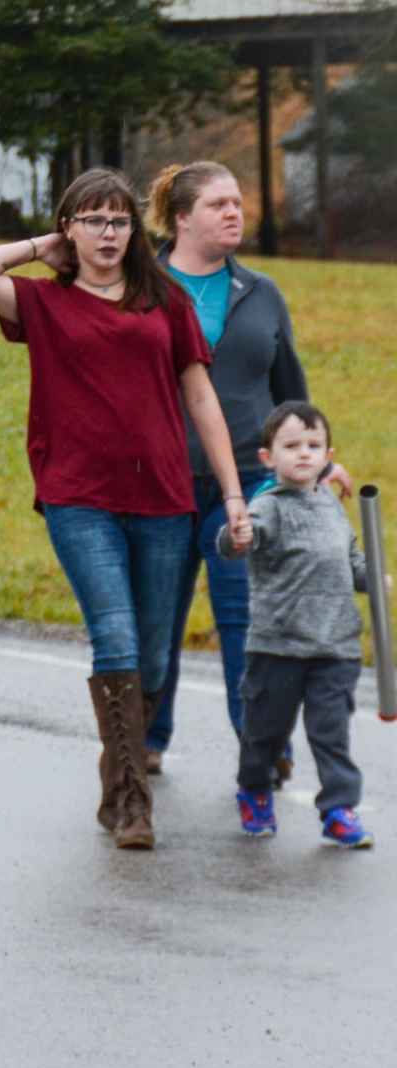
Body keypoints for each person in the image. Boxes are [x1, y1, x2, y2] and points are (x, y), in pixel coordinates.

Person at [0, 167, 250, 851]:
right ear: (70, 229)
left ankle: (118, 758)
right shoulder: (42, 304)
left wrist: (233, 493)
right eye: (91, 220)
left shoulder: (164, 301)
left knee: (151, 654)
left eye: (118, 220)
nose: (108, 233)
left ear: (134, 230)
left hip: (164, 497)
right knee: (113, 637)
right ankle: (130, 800)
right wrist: (38, 246)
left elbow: (200, 398)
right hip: (79, 497)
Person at [143, 161, 351, 778]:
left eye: (238, 202)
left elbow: (290, 393)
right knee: (160, 618)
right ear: (182, 218)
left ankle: (263, 748)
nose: (235, 212)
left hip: (249, 485)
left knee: (248, 621)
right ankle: (147, 739)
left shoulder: (262, 293)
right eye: (219, 204)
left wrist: (320, 462)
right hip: (161, 482)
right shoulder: (142, 285)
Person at [218, 401, 376, 848]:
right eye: (291, 446)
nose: (304, 454)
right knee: (265, 733)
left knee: (332, 734)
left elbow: (350, 563)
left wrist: (374, 577)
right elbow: (236, 544)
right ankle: (254, 790)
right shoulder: (268, 507)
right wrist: (237, 534)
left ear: (328, 455)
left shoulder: (331, 506)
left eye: (313, 445)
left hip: (335, 648)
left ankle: (339, 810)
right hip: (278, 648)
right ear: (269, 457)